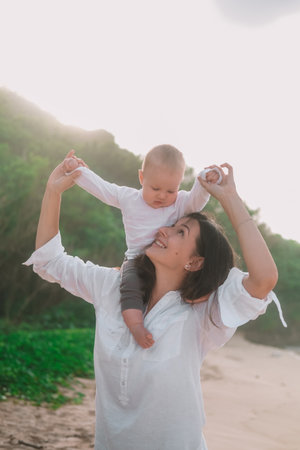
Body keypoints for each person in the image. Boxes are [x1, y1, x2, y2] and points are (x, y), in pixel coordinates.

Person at [24, 152, 286, 450]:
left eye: (179, 232)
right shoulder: (112, 287)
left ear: (195, 262)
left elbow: (263, 279)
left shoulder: (203, 311)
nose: (163, 230)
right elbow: (49, 262)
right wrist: (53, 191)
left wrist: (230, 198)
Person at [63, 145, 222, 348]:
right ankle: (136, 326)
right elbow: (102, 188)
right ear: (141, 178)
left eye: (170, 190)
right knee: (130, 291)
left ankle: (201, 307)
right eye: (155, 188)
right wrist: (77, 171)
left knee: (194, 281)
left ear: (179, 184)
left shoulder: (180, 202)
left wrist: (206, 178)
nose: (163, 196)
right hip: (137, 262)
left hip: (168, 266)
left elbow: (196, 199)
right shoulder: (129, 198)